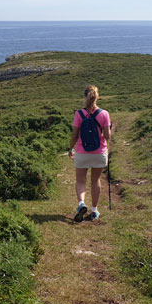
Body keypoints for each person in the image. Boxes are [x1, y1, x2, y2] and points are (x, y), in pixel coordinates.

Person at [68, 85, 111, 222]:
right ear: (97, 97)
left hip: (82, 152)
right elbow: (107, 136)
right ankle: (94, 210)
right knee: (95, 180)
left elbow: (75, 134)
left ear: (85, 96)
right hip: (99, 152)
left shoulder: (78, 114)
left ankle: (81, 203)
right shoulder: (104, 114)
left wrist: (70, 148)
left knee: (80, 180)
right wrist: (110, 129)